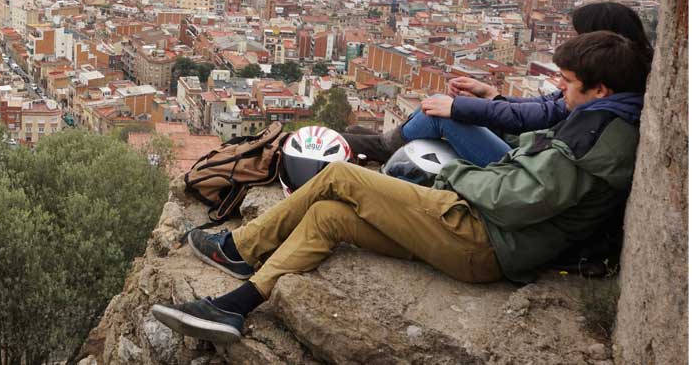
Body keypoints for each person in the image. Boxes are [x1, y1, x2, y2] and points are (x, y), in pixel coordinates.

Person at [151, 31, 647, 344]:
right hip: (486, 234)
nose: (560, 91)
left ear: (599, 89)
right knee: (331, 217)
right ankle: (236, 306)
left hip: (485, 239)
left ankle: (239, 245)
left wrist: (446, 174)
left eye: (566, 82)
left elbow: (515, 200)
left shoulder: (597, 135)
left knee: (343, 176)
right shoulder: (602, 120)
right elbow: (523, 181)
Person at [343, 1, 654, 167]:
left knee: (439, 114)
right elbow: (544, 107)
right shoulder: (611, 88)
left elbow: (536, 117)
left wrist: (461, 107)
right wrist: (492, 96)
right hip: (534, 158)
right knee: (448, 108)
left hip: (525, 167)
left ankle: (382, 148)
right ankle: (382, 144)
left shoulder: (602, 95)